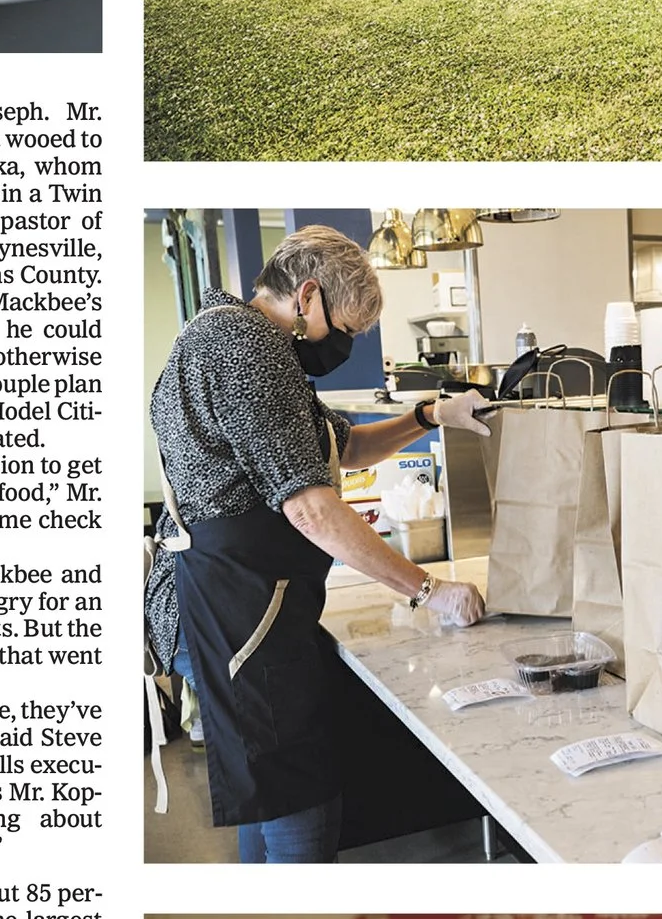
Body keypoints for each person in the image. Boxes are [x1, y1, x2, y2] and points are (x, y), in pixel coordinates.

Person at [148, 226, 454, 864]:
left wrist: (427, 418)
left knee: (268, 787)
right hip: (238, 606)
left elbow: (341, 444)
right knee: (298, 794)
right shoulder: (244, 347)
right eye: (342, 329)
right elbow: (311, 507)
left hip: (235, 599)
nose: (342, 347)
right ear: (307, 296)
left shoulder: (236, 335)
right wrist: (426, 589)